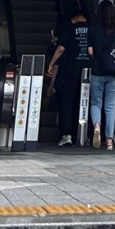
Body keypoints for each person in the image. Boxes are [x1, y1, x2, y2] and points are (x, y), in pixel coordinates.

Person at [87, 0, 115, 150]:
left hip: (97, 71)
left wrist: (97, 57)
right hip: (112, 72)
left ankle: (97, 126)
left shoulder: (93, 29)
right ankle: (109, 140)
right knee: (110, 106)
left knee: (96, 103)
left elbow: (90, 51)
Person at [48, 7, 90, 146]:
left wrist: (51, 64)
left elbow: (60, 49)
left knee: (67, 101)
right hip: (89, 71)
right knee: (86, 101)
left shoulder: (70, 29)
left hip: (72, 69)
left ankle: (67, 134)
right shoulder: (94, 29)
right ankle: (85, 135)